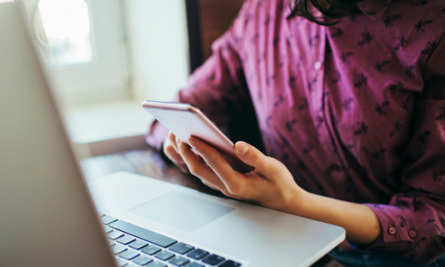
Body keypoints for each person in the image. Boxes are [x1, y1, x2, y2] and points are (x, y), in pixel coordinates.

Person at [146, 0, 445, 265]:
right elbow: (179, 110)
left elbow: (433, 223)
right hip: (280, 236)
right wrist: (177, 144)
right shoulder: (263, 11)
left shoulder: (432, 27)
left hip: (389, 255)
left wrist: (294, 202)